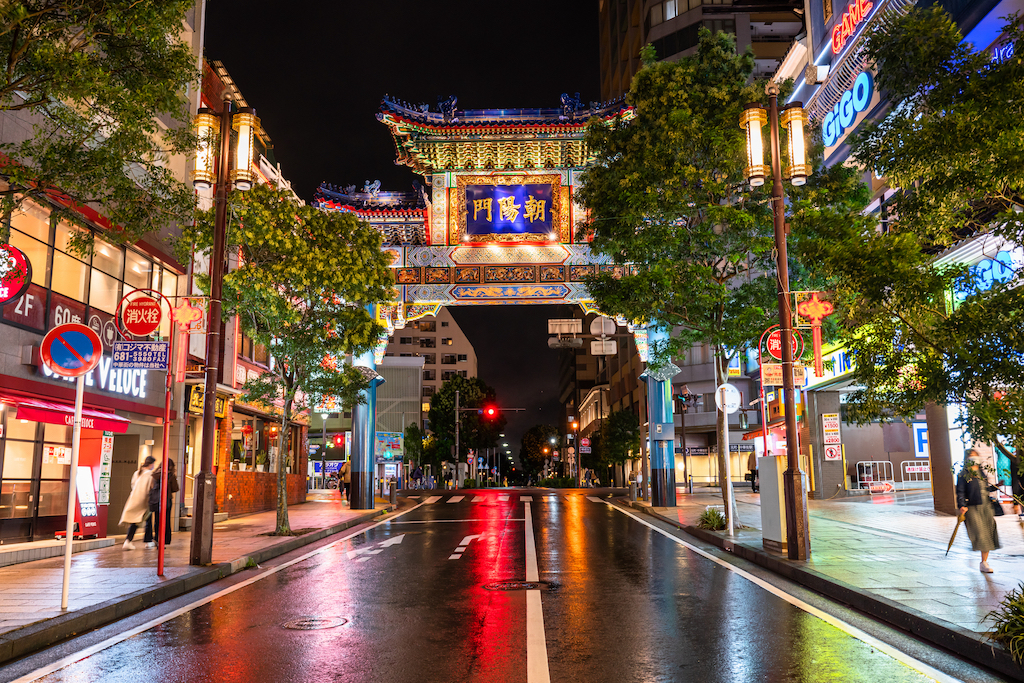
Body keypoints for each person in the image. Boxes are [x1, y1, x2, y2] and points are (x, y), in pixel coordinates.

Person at [956, 449, 1002, 573]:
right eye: (971, 457)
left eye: (976, 456)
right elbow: (960, 491)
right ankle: (984, 562)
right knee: (981, 534)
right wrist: (962, 504)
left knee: (988, 533)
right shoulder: (963, 474)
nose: (974, 459)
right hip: (973, 507)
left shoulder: (981, 472)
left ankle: (984, 562)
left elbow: (985, 488)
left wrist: (997, 486)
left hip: (985, 507)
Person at [119, 456, 156, 550]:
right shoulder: (150, 474)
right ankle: (130, 541)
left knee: (136, 519)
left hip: (134, 498)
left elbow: (132, 484)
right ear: (151, 464)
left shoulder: (137, 473)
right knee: (138, 520)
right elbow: (151, 487)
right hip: (144, 500)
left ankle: (136, 540)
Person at [148, 459, 179, 547]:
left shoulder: (154, 474)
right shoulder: (170, 475)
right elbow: (175, 488)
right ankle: (165, 539)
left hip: (155, 500)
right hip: (166, 500)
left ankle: (157, 538)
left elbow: (151, 486)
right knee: (166, 520)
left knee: (157, 520)